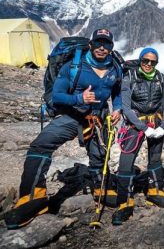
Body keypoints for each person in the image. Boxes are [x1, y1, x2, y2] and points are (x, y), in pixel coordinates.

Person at [5, 29, 122, 229]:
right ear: (91, 44)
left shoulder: (115, 68)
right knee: (41, 145)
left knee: (99, 154)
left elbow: (117, 91)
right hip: (72, 115)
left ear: (111, 47)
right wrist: (79, 98)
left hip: (98, 118)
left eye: (106, 44)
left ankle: (102, 186)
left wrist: (117, 108)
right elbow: (57, 95)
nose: (102, 47)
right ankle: (33, 197)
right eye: (98, 42)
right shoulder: (74, 66)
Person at [112, 47, 164, 225]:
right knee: (126, 161)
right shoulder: (129, 77)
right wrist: (143, 128)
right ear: (140, 60)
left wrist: (163, 126)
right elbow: (126, 107)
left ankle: (154, 191)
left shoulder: (162, 78)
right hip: (135, 124)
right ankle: (124, 202)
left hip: (156, 122)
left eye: (153, 62)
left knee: (155, 158)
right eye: (145, 60)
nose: (148, 64)